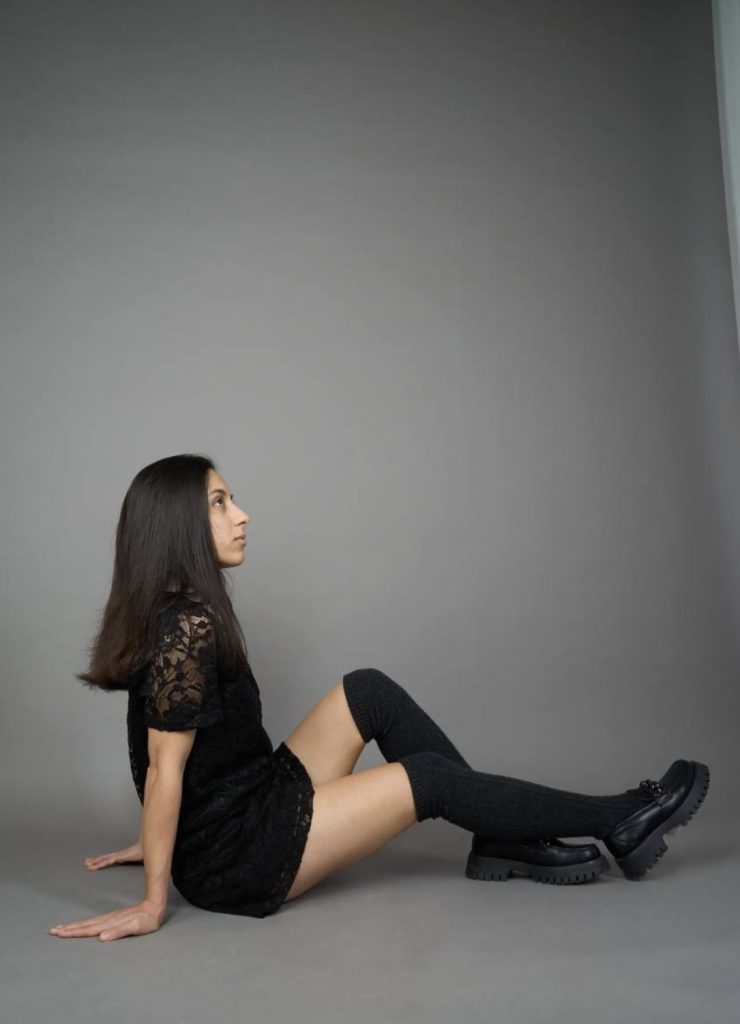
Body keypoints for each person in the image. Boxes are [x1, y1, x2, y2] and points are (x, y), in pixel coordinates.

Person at [48, 454, 711, 942]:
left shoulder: (182, 614)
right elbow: (162, 767)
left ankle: (500, 837)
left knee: (367, 690)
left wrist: (160, 835)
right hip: (240, 856)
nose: (242, 515)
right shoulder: (184, 627)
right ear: (178, 527)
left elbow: (171, 754)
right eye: (220, 503)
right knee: (427, 779)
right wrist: (154, 896)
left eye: (231, 499)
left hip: (254, 797)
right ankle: (617, 819)